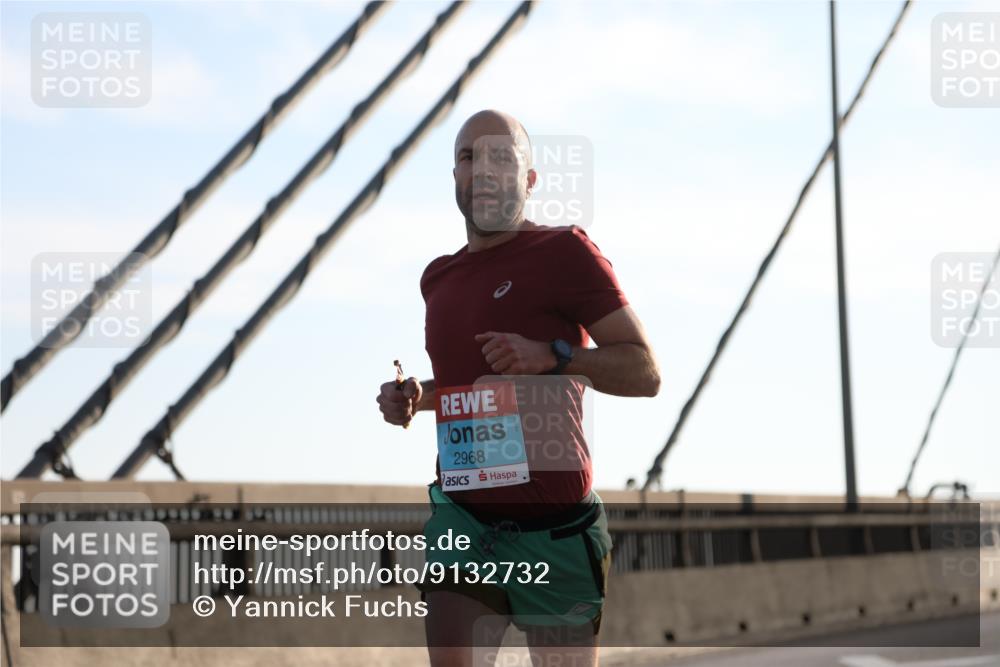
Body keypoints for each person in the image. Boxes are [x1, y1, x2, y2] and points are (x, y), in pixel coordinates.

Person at [376, 109, 660, 667]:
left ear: (529, 181)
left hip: (556, 531)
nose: (482, 169)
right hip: (465, 520)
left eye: (501, 157)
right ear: (455, 176)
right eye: (468, 157)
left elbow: (644, 371)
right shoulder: (437, 278)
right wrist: (416, 396)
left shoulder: (566, 252)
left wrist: (552, 357)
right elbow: (471, 385)